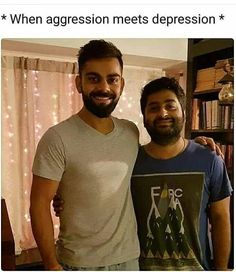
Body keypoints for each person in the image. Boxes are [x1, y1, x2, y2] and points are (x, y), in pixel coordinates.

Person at [31, 39, 222, 271]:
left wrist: (196, 145)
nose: (104, 87)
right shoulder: (57, 138)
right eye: (93, 78)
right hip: (79, 263)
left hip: (131, 260)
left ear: (121, 84)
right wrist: (51, 265)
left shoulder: (130, 132)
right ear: (79, 83)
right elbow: (39, 204)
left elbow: (162, 150)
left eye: (112, 79)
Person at [131, 77, 232, 270]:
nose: (163, 113)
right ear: (144, 117)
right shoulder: (130, 162)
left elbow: (221, 219)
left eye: (170, 106)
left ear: (184, 112)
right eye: (153, 108)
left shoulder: (210, 159)